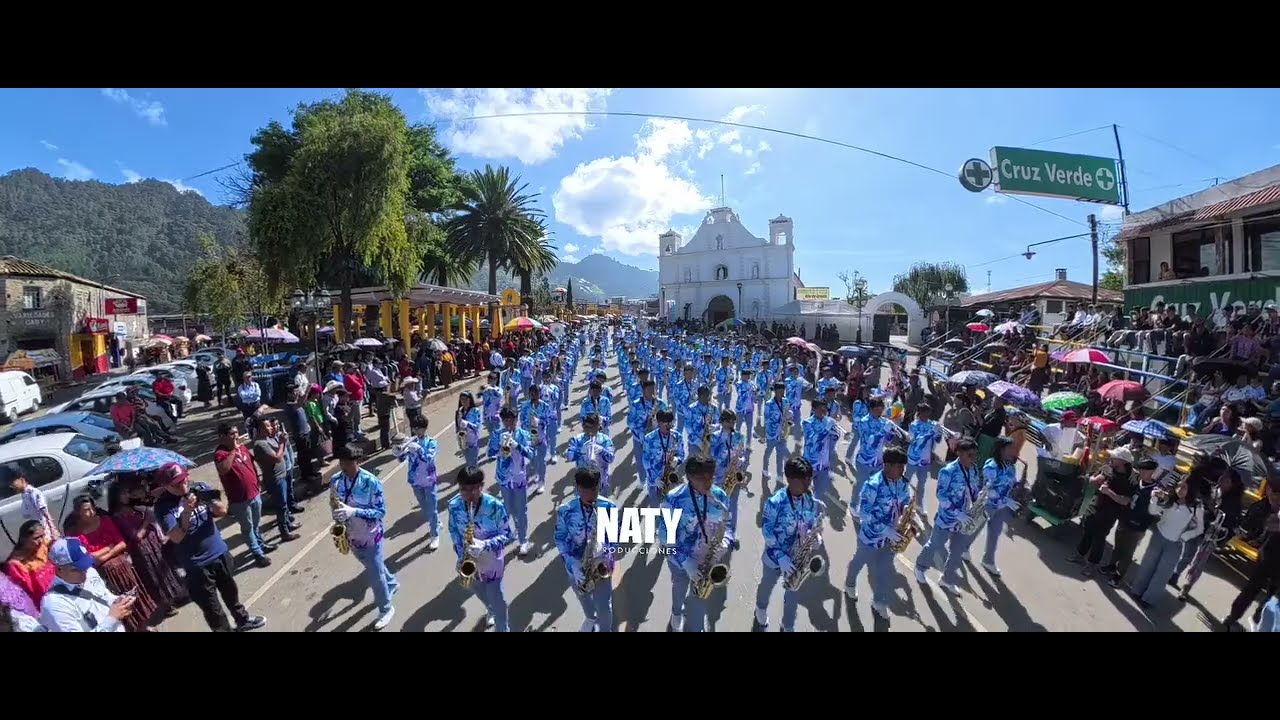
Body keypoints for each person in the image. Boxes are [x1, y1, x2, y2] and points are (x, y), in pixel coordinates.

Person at [153, 463, 266, 632]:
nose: (182, 485)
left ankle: (243, 620)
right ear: (166, 486)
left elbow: (223, 511)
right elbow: (176, 537)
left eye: (183, 479)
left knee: (231, 594)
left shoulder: (199, 488)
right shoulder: (163, 507)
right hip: (196, 565)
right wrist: (186, 512)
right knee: (213, 610)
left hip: (219, 553)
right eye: (176, 484)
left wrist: (208, 501)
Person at [330, 444, 399, 630]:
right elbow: (334, 504)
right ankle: (392, 582)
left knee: (375, 575)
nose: (343, 466)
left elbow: (380, 511)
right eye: (341, 462)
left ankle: (386, 608)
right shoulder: (336, 481)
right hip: (351, 536)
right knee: (372, 565)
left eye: (347, 462)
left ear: (357, 461)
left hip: (370, 536)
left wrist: (354, 511)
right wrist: (337, 517)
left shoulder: (371, 482)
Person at [64, 494, 157, 632]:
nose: (90, 513)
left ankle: (143, 627)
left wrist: (104, 554)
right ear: (78, 513)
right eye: (86, 511)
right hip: (105, 576)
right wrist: (109, 547)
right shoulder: (76, 534)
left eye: (91, 509)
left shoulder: (105, 521)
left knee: (134, 601)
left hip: (123, 568)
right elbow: (90, 557)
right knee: (118, 606)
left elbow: (121, 543)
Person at [661, 456, 733, 632]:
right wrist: (685, 561)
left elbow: (728, 527)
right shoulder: (673, 499)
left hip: (706, 560)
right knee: (679, 589)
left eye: (711, 477)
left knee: (699, 599)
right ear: (689, 477)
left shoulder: (720, 495)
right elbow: (665, 536)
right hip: (680, 561)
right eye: (703, 478)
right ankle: (676, 613)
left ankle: (696, 623)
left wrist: (726, 541)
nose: (709, 482)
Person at [753, 456, 824, 632]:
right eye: (805, 479)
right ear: (791, 480)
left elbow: (811, 522)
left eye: (809, 478)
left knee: (792, 593)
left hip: (798, 557)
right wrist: (780, 556)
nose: (809, 483)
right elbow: (767, 531)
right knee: (767, 586)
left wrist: (815, 537)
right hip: (775, 557)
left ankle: (788, 624)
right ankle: (760, 608)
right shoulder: (775, 502)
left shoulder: (809, 498)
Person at [844, 445, 912, 619]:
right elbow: (864, 514)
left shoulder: (902, 482)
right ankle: (849, 583)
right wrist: (885, 530)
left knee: (884, 571)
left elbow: (905, 499)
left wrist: (908, 512)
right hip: (870, 538)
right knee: (858, 562)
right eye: (900, 466)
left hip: (890, 539)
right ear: (887, 466)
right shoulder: (872, 485)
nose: (903, 470)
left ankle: (879, 602)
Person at [914, 438, 986, 594]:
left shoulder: (973, 469)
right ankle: (920, 567)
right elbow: (941, 496)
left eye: (975, 455)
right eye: (970, 455)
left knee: (957, 551)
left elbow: (973, 489)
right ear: (959, 454)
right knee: (935, 545)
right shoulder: (948, 471)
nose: (973, 459)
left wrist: (979, 497)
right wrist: (957, 513)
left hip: (965, 519)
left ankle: (947, 579)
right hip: (947, 519)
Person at [448, 464, 512, 631]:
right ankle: (489, 608)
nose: (468, 494)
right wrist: (461, 554)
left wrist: (485, 544)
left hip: (491, 560)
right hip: (469, 560)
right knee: (479, 591)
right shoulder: (454, 506)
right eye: (463, 489)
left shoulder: (494, 506)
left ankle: (502, 627)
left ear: (481, 486)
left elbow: (507, 534)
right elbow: (453, 529)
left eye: (472, 489)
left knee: (497, 598)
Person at [554, 467, 618, 632]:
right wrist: (572, 564)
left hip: (601, 566)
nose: (590, 495)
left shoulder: (609, 507)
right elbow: (560, 539)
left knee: (604, 607)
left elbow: (615, 537)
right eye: (585, 491)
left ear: (600, 486)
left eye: (594, 490)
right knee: (583, 596)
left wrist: (605, 550)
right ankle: (590, 617)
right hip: (576, 566)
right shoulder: (566, 510)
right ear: (577, 488)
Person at [1128, 475, 1205, 609]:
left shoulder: (1195, 507)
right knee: (1148, 564)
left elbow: (1200, 528)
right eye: (1179, 486)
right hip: (1159, 535)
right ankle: (1137, 590)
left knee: (1163, 573)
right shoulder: (1169, 500)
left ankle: (1149, 599)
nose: (1180, 490)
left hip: (1175, 543)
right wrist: (1154, 498)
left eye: (1184, 487)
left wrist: (1184, 537)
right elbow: (1153, 511)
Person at [39, 537, 135, 632]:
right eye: (77, 569)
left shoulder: (90, 572)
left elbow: (105, 596)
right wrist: (112, 618)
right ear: (59, 570)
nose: (84, 572)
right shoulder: (54, 604)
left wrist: (119, 601)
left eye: (85, 565)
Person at [1069, 447, 1137, 577]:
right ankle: (1079, 555)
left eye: (1114, 457)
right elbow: (1096, 480)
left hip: (1109, 513)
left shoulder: (1130, 479)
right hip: (1095, 506)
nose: (1111, 458)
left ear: (1122, 461)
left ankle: (1092, 565)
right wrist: (1094, 480)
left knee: (1099, 539)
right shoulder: (1108, 468)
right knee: (1087, 531)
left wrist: (1109, 492)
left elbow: (1125, 501)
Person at [214, 422, 271, 568]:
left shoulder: (242, 447)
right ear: (222, 437)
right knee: (247, 527)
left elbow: (251, 464)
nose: (236, 436)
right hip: (239, 499)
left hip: (254, 493)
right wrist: (233, 451)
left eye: (236, 433)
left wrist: (258, 482)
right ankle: (257, 553)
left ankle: (260, 543)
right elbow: (223, 470)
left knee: (256, 523)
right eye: (232, 434)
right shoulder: (221, 453)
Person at [394, 415, 441, 551]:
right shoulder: (410, 442)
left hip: (428, 480)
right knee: (425, 508)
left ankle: (434, 535)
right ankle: (436, 522)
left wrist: (419, 449)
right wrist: (399, 452)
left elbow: (428, 458)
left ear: (424, 428)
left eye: (419, 428)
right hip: (415, 481)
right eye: (414, 428)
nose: (416, 431)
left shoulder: (432, 442)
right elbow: (402, 459)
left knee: (432, 509)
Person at [976, 437, 1022, 577]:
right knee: (975, 529)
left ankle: (988, 561)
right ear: (1000, 449)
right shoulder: (991, 466)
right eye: (1009, 448)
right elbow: (988, 490)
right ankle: (962, 548)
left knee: (994, 534)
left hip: (1001, 508)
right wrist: (1005, 500)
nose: (1012, 451)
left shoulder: (1010, 466)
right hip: (987, 505)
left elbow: (1011, 483)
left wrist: (1020, 488)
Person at [252, 418, 301, 544]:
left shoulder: (268, 439)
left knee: (284, 505)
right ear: (259, 429)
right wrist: (282, 443)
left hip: (282, 475)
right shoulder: (260, 444)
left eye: (270, 426)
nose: (270, 428)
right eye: (266, 427)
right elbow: (276, 458)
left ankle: (288, 524)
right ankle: (284, 532)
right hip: (275, 478)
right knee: (281, 506)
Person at [4, 520, 55, 606]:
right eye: (36, 538)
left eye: (42, 536)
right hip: (42, 603)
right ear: (24, 540)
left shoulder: (42, 546)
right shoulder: (16, 564)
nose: (41, 541)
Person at [642, 408, 685, 505]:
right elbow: (646, 461)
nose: (669, 425)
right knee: (655, 510)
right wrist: (655, 478)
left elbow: (681, 454)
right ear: (659, 422)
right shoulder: (649, 439)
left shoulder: (677, 437)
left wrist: (677, 459)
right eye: (665, 422)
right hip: (655, 481)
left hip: (670, 480)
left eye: (670, 421)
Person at [7, 467, 59, 541]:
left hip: (43, 529)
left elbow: (44, 511)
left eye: (13, 483)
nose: (12, 487)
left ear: (21, 480)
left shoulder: (33, 493)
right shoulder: (25, 495)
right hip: (36, 528)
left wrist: (53, 530)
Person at [761, 381, 790, 487]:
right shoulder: (769, 404)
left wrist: (788, 417)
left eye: (783, 390)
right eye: (781, 391)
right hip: (772, 434)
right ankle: (765, 469)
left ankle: (779, 475)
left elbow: (787, 413)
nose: (783, 393)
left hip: (782, 433)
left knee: (780, 455)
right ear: (776, 391)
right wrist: (778, 421)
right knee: (768, 452)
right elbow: (767, 419)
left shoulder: (786, 401)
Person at [456, 390, 482, 467]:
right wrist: (459, 438)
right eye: (462, 399)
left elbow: (477, 426)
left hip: (473, 440)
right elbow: (457, 427)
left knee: (473, 463)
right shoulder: (459, 411)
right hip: (464, 440)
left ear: (470, 399)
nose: (464, 401)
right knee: (468, 462)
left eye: (466, 399)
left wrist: (467, 424)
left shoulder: (475, 411)